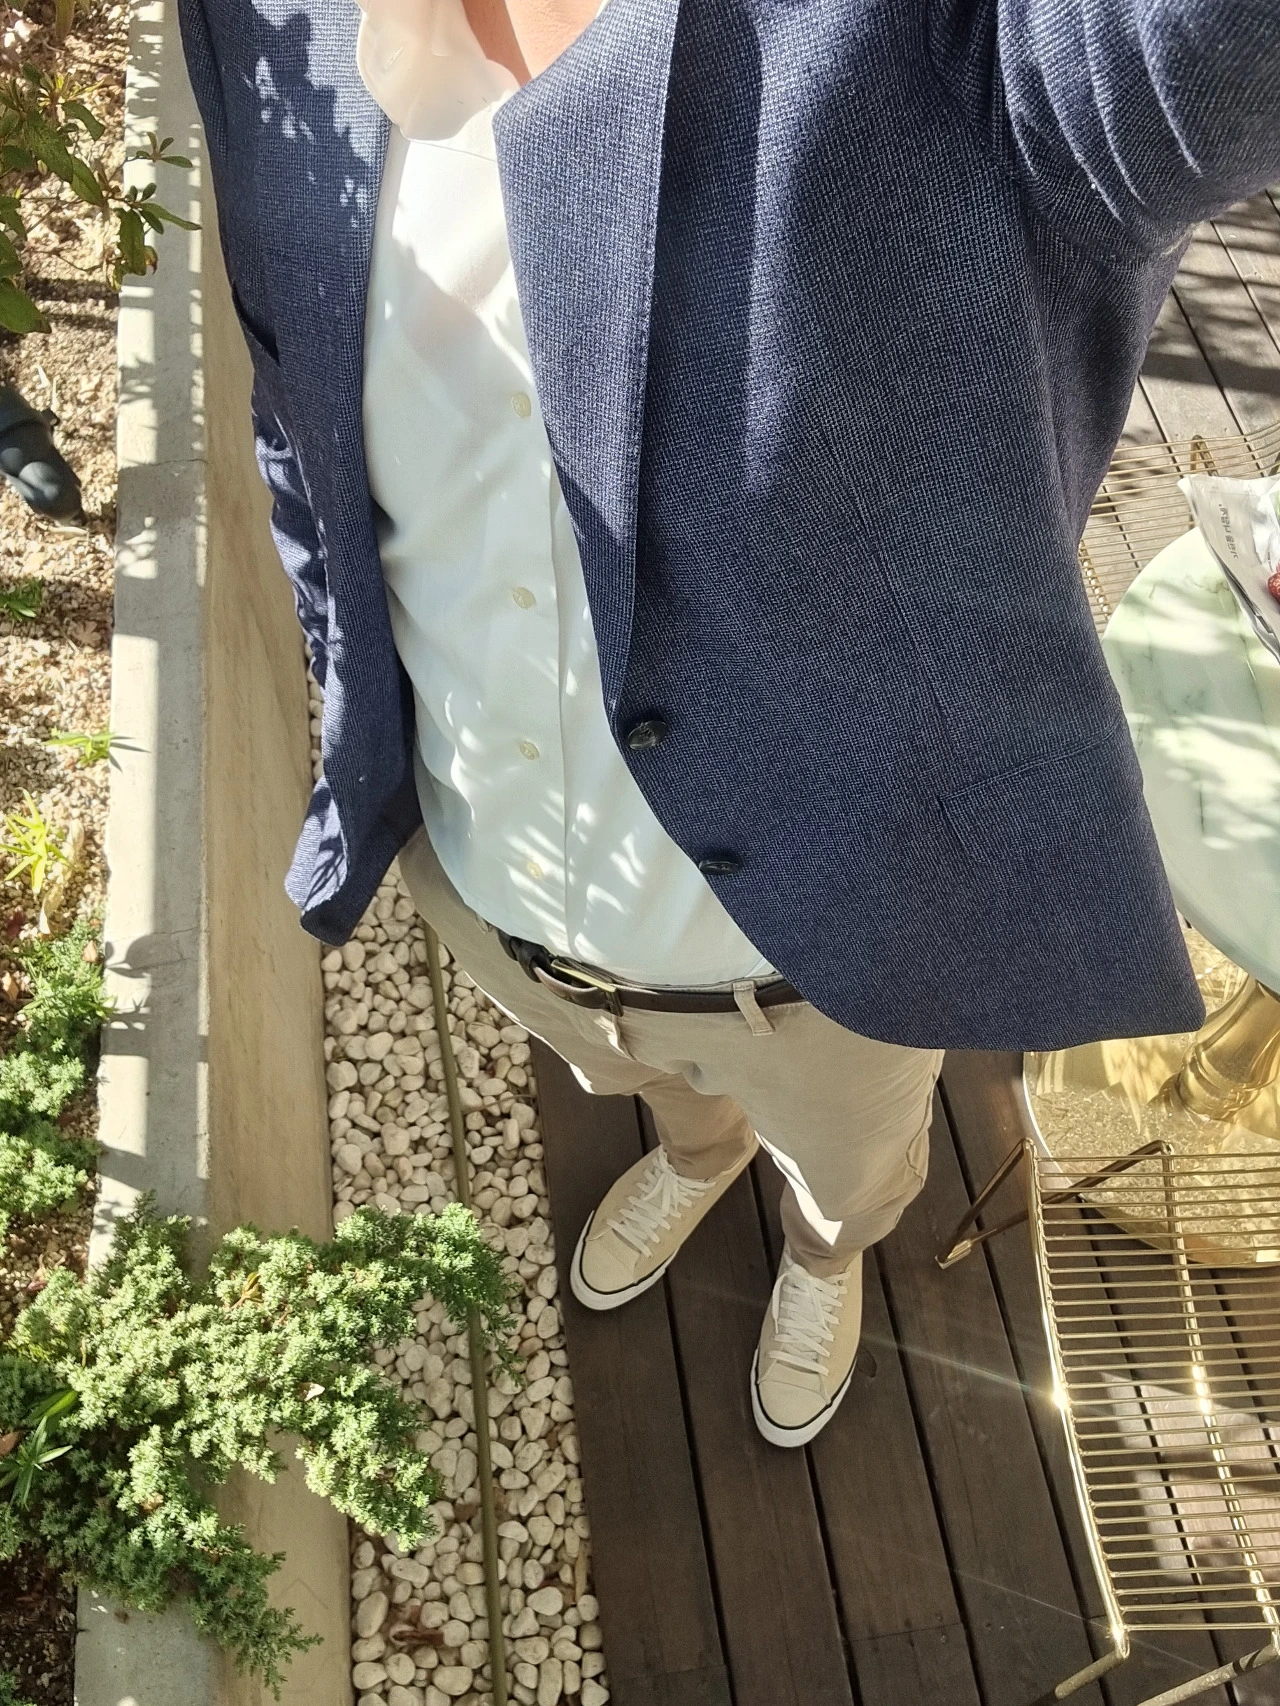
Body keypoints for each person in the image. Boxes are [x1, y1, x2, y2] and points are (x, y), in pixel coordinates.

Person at [178, 0, 1279, 1445]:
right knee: (641, 1082)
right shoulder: (264, 19)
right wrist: (356, 707)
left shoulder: (959, 50)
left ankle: (825, 1250)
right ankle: (699, 1156)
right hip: (497, 900)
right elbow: (297, 415)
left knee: (847, 1167)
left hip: (822, 964)